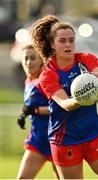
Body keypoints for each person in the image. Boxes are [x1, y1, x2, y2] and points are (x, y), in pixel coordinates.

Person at [31, 15, 98, 179]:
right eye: (62, 40)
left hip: (93, 134)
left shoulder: (85, 59)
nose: (68, 44)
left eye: (71, 40)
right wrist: (84, 93)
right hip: (65, 140)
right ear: (52, 44)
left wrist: (89, 80)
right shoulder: (48, 74)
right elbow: (66, 103)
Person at [16, 44, 59, 179]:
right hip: (37, 140)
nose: (28, 62)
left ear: (41, 60)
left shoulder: (45, 80)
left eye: (33, 58)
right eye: (26, 58)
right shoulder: (28, 81)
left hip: (56, 140)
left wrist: (35, 110)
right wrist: (24, 114)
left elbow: (59, 107)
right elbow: (31, 109)